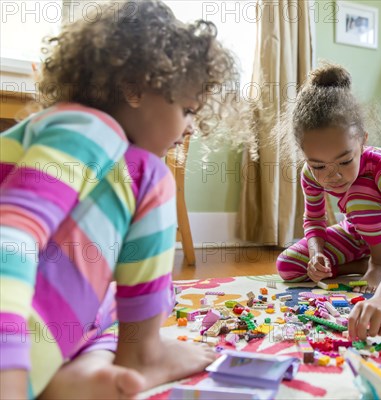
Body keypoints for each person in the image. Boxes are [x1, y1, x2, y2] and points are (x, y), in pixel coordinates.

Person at [0, 1, 238, 398]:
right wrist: (7, 367)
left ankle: (73, 377)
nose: (189, 127)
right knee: (148, 173)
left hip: (38, 344)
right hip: (12, 351)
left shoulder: (67, 135)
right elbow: (10, 237)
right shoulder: (87, 128)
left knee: (130, 295)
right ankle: (143, 354)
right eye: (187, 109)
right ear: (133, 88)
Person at [276, 64, 381, 341]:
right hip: (353, 233)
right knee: (286, 265)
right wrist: (317, 254)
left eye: (345, 161)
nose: (333, 176)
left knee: (358, 198)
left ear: (363, 141)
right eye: (319, 165)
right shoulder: (309, 174)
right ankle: (362, 263)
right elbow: (315, 220)